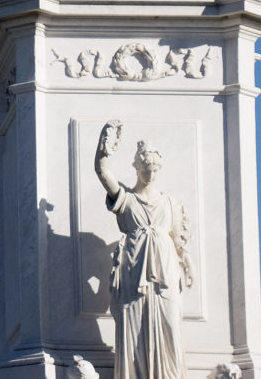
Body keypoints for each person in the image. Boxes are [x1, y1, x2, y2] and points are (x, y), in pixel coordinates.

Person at [95, 120, 192, 379]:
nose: (151, 173)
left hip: (165, 269)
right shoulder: (126, 199)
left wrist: (188, 265)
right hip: (133, 269)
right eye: (146, 168)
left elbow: (179, 241)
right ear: (137, 167)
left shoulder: (170, 203)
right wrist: (103, 150)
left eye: (154, 169)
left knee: (170, 322)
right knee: (134, 321)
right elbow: (103, 172)